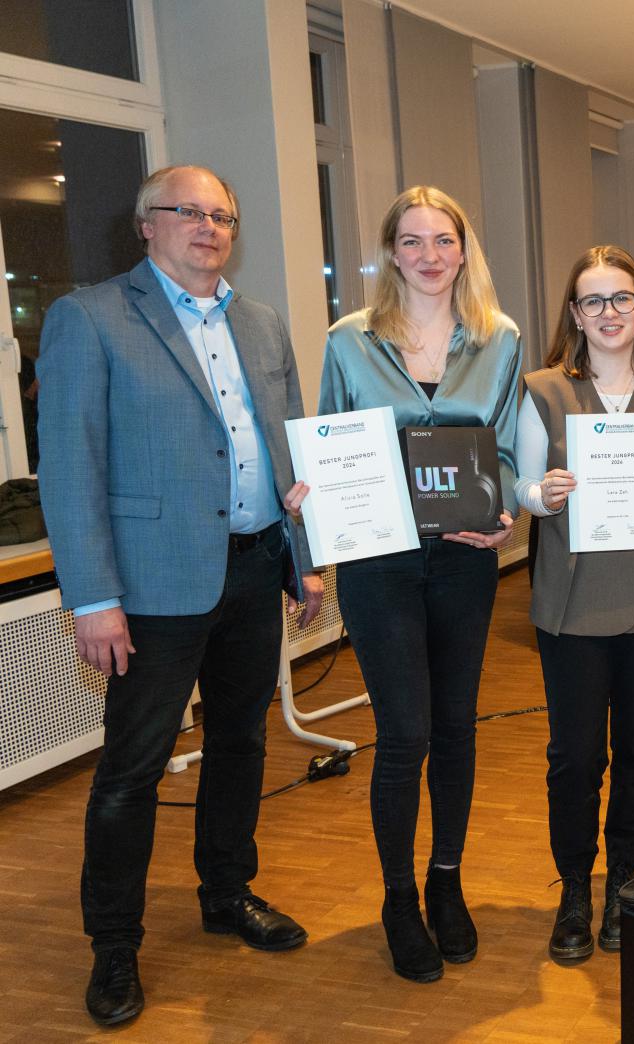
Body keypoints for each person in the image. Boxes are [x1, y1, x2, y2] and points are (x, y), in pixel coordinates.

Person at [36, 165, 323, 1026]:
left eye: (221, 214)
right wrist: (92, 598)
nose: (207, 226)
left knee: (241, 742)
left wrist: (303, 559)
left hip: (252, 566)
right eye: (186, 212)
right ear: (145, 226)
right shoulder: (90, 317)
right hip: (151, 584)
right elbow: (70, 466)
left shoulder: (263, 323)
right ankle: (114, 946)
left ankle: (227, 893)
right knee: (132, 769)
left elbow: (288, 452)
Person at [315, 186, 519, 983]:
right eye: (412, 241)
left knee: (457, 728)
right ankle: (398, 898)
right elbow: (331, 444)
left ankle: (446, 881)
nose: (429, 255)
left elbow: (502, 451)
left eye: (443, 240)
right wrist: (314, 500)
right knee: (405, 733)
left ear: (463, 250)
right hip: (379, 563)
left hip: (466, 558)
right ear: (390, 252)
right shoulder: (348, 341)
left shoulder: (497, 339)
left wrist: (503, 510)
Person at [516, 245, 634, 963]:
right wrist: (543, 495)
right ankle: (574, 888)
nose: (609, 314)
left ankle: (623, 879)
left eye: (621, 298)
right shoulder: (542, 391)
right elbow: (522, 488)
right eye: (593, 301)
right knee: (573, 759)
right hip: (572, 603)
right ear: (574, 313)